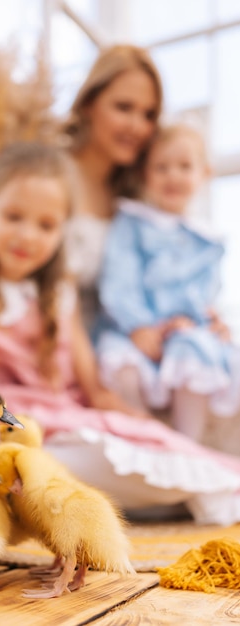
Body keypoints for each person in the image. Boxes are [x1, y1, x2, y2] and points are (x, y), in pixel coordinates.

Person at [0, 139, 240, 527]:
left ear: (62, 230)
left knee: (150, 453)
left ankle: (179, 492)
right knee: (25, 463)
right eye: (14, 216)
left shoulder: (58, 295)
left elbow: (95, 391)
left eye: (46, 225)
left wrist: (145, 425)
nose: (27, 236)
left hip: (63, 424)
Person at [95, 123, 240, 443]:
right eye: (161, 167)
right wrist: (138, 325)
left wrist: (207, 318)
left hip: (182, 330)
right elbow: (119, 280)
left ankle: (187, 444)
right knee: (121, 364)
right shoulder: (133, 223)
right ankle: (144, 437)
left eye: (184, 167)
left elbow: (205, 294)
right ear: (145, 174)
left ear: (205, 173)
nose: (172, 176)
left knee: (197, 350)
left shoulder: (207, 239)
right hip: (135, 330)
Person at [63, 44, 163, 337]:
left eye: (149, 114)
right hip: (54, 357)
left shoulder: (136, 199)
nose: (137, 126)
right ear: (88, 104)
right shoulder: (47, 175)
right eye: (124, 107)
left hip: (114, 355)